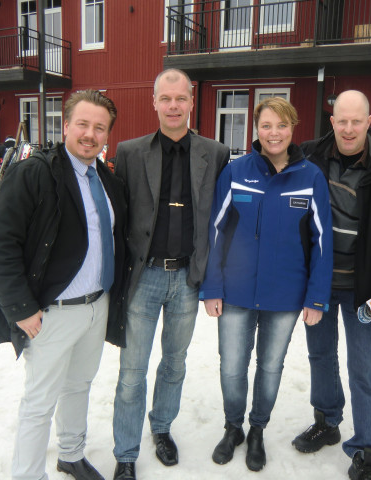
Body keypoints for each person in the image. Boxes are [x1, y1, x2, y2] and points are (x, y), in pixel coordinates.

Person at [0, 89, 127, 480]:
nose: (90, 134)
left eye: (99, 128)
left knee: (78, 386)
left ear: (107, 135)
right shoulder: (35, 173)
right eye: (82, 124)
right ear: (65, 126)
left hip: (96, 307)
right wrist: (21, 307)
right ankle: (28, 474)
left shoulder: (105, 178)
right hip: (51, 313)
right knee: (39, 401)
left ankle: (71, 454)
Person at [201, 96, 333, 472]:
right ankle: (233, 428)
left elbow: (323, 242)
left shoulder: (310, 177)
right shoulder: (237, 171)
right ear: (256, 129)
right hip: (236, 291)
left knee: (270, 367)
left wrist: (316, 298)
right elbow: (215, 230)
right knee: (231, 367)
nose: (273, 133)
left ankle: (257, 429)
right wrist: (212, 287)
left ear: (293, 129)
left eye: (281, 125)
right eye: (266, 125)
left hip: (286, 296)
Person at [111, 68, 230, 480]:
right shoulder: (128, 152)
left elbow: (219, 219)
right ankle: (125, 452)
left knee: (174, 364)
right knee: (132, 371)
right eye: (166, 98)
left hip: (187, 280)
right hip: (143, 279)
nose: (174, 105)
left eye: (181, 98)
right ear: (154, 102)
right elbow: (119, 217)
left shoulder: (215, 152)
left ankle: (161, 428)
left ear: (191, 102)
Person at [293, 90, 371, 480]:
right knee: (320, 356)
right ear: (332, 121)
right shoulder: (310, 156)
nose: (348, 128)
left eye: (356, 121)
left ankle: (365, 449)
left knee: (363, 367)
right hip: (320, 283)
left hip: (366, 288)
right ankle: (327, 421)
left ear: (369, 120)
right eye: (341, 120)